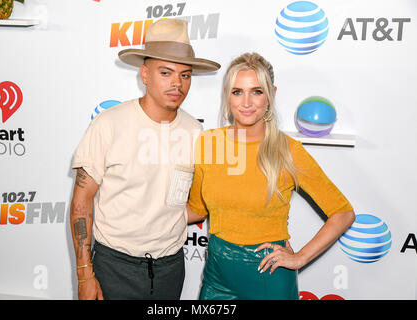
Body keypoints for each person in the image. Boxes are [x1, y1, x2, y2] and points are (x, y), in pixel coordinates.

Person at [69, 18, 220, 300]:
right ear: (145, 74)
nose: (177, 83)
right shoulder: (109, 124)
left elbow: (197, 205)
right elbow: (81, 201)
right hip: (112, 266)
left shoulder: (196, 133)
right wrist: (84, 274)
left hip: (171, 267)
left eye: (185, 75)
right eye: (166, 72)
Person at [187, 52, 355, 300]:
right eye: (237, 92)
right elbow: (197, 209)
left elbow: (343, 213)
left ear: (271, 94)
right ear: (227, 95)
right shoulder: (209, 142)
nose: (246, 102)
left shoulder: (288, 151)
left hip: (269, 276)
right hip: (217, 278)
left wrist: (300, 257)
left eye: (256, 91)